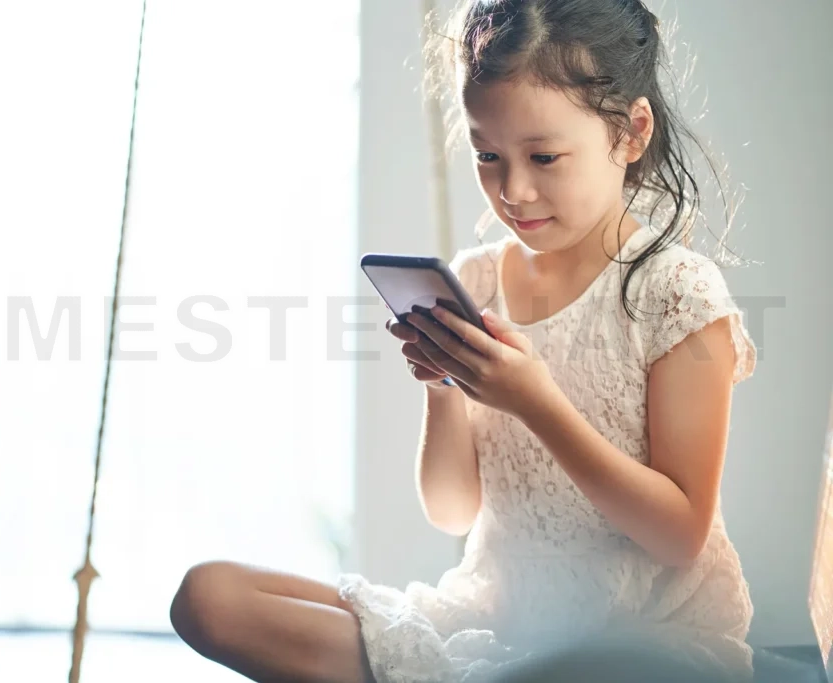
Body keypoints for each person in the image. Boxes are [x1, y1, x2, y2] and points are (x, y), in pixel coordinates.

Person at [169, 1, 758, 681]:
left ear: (630, 133)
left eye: (544, 155)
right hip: (497, 611)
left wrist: (534, 400)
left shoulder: (676, 291)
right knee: (209, 598)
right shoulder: (478, 278)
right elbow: (452, 510)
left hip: (639, 640)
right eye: (487, 154)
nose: (513, 188)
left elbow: (681, 535)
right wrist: (444, 385)